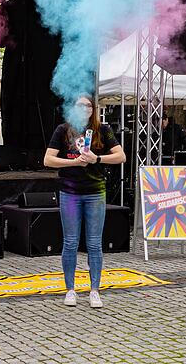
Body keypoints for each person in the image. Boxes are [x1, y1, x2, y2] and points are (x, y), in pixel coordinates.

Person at [44, 95, 126, 308]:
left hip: (95, 193)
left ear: (93, 109)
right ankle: (70, 289)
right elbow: (48, 160)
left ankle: (94, 290)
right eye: (80, 105)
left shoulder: (103, 130)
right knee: (70, 242)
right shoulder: (63, 130)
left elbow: (121, 156)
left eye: (89, 105)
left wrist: (96, 159)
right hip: (69, 193)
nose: (85, 109)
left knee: (94, 243)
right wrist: (73, 163)